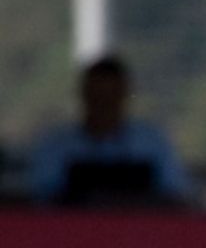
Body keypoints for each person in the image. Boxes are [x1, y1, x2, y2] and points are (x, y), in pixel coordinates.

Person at [29, 55, 193, 204]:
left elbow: (176, 194)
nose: (104, 105)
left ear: (124, 95)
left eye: (111, 97)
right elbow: (40, 199)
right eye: (97, 97)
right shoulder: (56, 146)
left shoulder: (152, 142)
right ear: (84, 95)